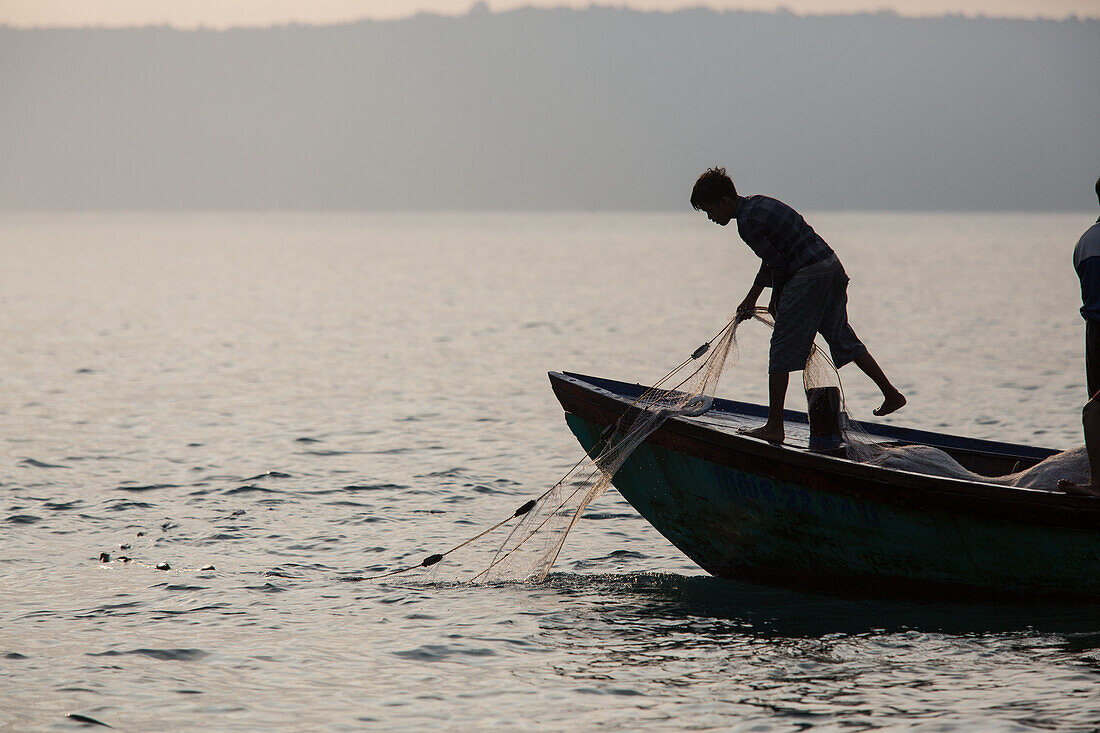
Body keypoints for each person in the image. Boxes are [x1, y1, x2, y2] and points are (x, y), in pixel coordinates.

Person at [690, 167, 905, 443]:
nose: (710, 218)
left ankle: (775, 425)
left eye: (710, 211)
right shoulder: (758, 203)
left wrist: (774, 299)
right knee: (840, 335)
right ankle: (891, 393)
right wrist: (753, 297)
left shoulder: (746, 224)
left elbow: (777, 265)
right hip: (831, 266)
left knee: (781, 347)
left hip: (809, 274)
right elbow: (771, 258)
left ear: (724, 202)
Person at [1060, 176, 1100, 496]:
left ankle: (1097, 483)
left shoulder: (1085, 241)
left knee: (1095, 409)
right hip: (1097, 333)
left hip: (1095, 335)